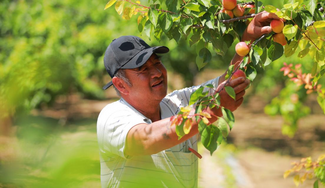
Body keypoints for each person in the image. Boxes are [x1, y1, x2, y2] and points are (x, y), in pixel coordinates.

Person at [97, 11, 279, 188]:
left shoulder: (178, 102)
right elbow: (146, 138)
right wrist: (211, 109)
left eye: (157, 62)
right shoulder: (112, 117)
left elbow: (228, 83)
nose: (157, 73)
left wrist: (247, 40)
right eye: (143, 70)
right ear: (120, 85)